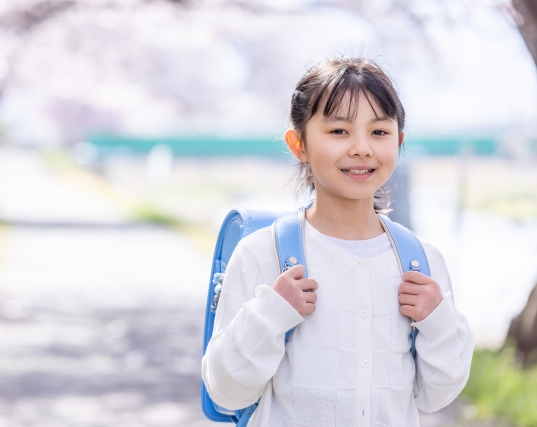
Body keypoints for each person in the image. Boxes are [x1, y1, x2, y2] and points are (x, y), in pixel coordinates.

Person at [201, 57, 474, 427]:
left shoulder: (422, 262)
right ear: (299, 144)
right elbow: (226, 391)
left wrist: (437, 322)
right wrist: (270, 314)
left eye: (379, 132)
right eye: (339, 131)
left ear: (399, 141)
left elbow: (436, 395)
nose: (362, 148)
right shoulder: (261, 255)